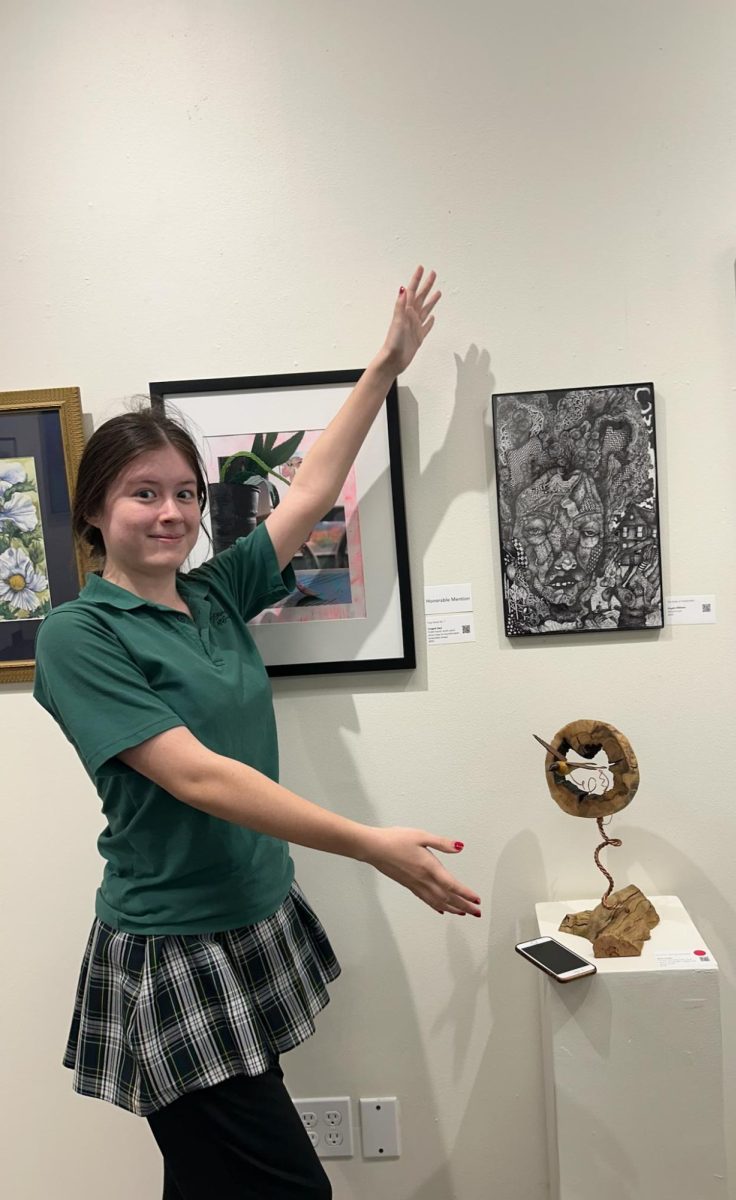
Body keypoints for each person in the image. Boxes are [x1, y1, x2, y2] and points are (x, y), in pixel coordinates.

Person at [33, 267, 481, 1200]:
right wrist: (372, 846)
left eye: (186, 494)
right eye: (142, 494)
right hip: (173, 949)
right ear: (93, 511)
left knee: (211, 1181)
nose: (171, 513)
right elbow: (197, 778)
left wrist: (385, 367)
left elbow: (312, 490)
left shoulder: (212, 594)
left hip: (247, 918)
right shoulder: (81, 636)